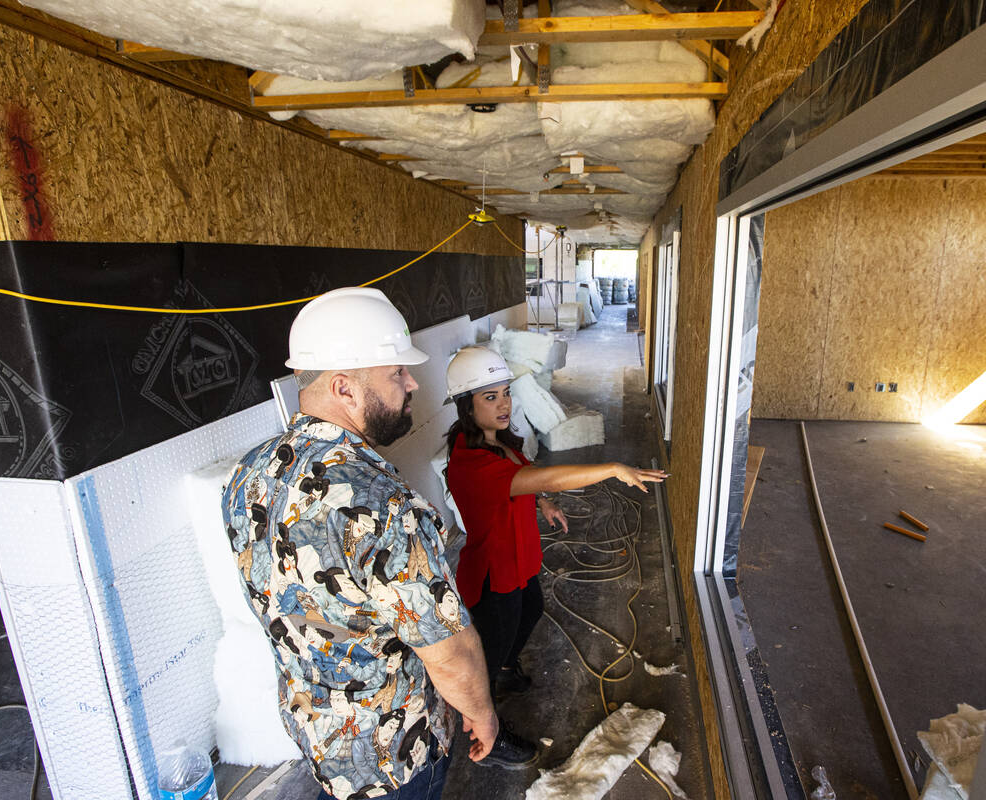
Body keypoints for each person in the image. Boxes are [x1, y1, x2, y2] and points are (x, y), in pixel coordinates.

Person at [222, 288, 525, 800]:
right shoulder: (381, 505)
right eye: (396, 374)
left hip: (318, 736)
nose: (412, 384)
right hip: (395, 750)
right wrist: (482, 714)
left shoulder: (249, 473)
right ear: (344, 389)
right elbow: (448, 651)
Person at [441, 345, 666, 759]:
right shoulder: (472, 462)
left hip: (520, 558)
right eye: (490, 397)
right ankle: (486, 731)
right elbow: (547, 476)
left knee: (531, 610)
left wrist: (542, 501)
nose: (504, 403)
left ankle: (506, 672)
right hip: (495, 572)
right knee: (487, 654)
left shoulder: (500, 443)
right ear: (465, 407)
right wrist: (612, 468)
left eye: (505, 392)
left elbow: (526, 478)